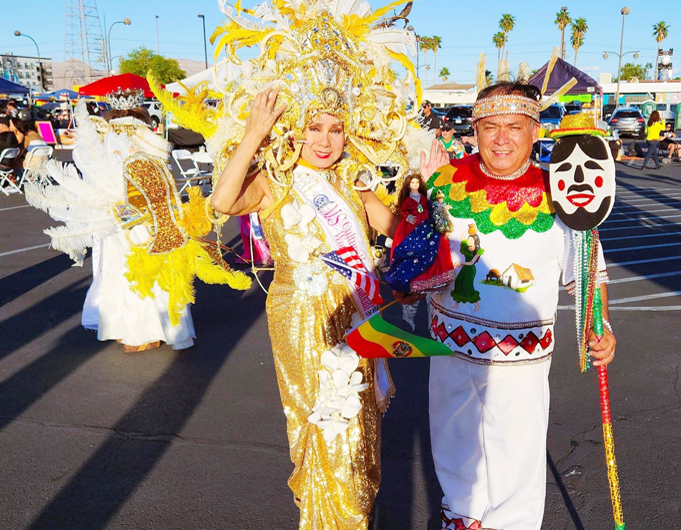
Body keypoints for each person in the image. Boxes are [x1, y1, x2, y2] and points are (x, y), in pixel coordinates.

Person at [195, 2, 446, 528]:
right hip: (300, 314)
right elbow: (221, 202)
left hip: (355, 308)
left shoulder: (354, 180)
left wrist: (427, 187)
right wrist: (254, 131)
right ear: (296, 127)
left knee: (361, 428)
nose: (325, 140)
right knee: (322, 423)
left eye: (335, 128)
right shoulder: (276, 179)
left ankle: (352, 516)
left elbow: (394, 227)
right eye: (314, 127)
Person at [424, 81, 616, 530]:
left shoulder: (565, 192)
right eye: (489, 127)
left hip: (520, 358)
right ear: (474, 131)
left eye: (514, 126)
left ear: (535, 132)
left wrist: (600, 326)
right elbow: (413, 251)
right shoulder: (445, 183)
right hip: (449, 349)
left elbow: (586, 273)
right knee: (454, 452)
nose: (501, 138)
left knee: (515, 459)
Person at [26, 94, 250, 352]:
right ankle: (151, 331)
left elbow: (94, 175)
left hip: (114, 220)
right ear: (141, 114)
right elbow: (162, 181)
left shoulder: (103, 135)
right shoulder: (147, 137)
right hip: (147, 219)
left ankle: (125, 330)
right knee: (151, 274)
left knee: (122, 273)